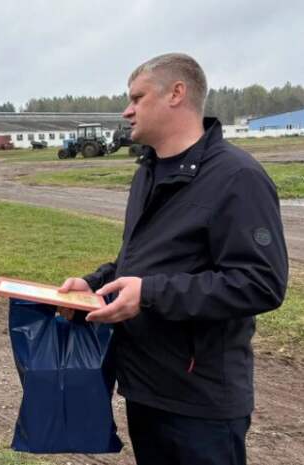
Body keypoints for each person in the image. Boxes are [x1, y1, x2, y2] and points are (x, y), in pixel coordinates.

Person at [59, 53, 288, 465]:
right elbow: (138, 263)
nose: (127, 110)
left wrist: (149, 294)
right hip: (145, 389)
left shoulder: (237, 178)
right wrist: (92, 285)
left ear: (176, 94)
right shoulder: (147, 172)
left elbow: (261, 283)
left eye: (137, 98)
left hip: (201, 403)